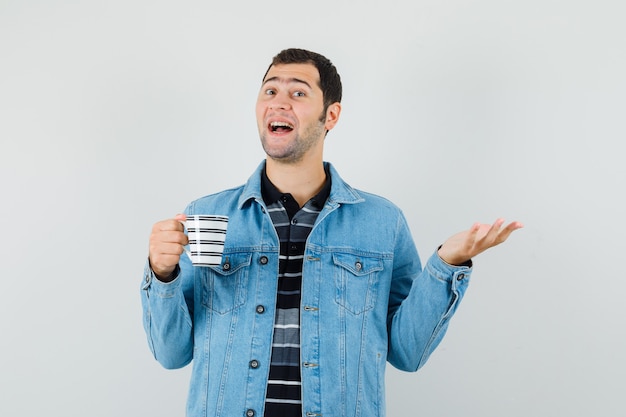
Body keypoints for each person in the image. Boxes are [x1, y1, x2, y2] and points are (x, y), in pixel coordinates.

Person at [141, 48, 523, 417]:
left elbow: (408, 353)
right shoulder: (206, 215)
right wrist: (162, 274)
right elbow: (171, 353)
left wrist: (446, 264)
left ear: (331, 115)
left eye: (298, 93)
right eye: (270, 90)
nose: (278, 102)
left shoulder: (383, 222)